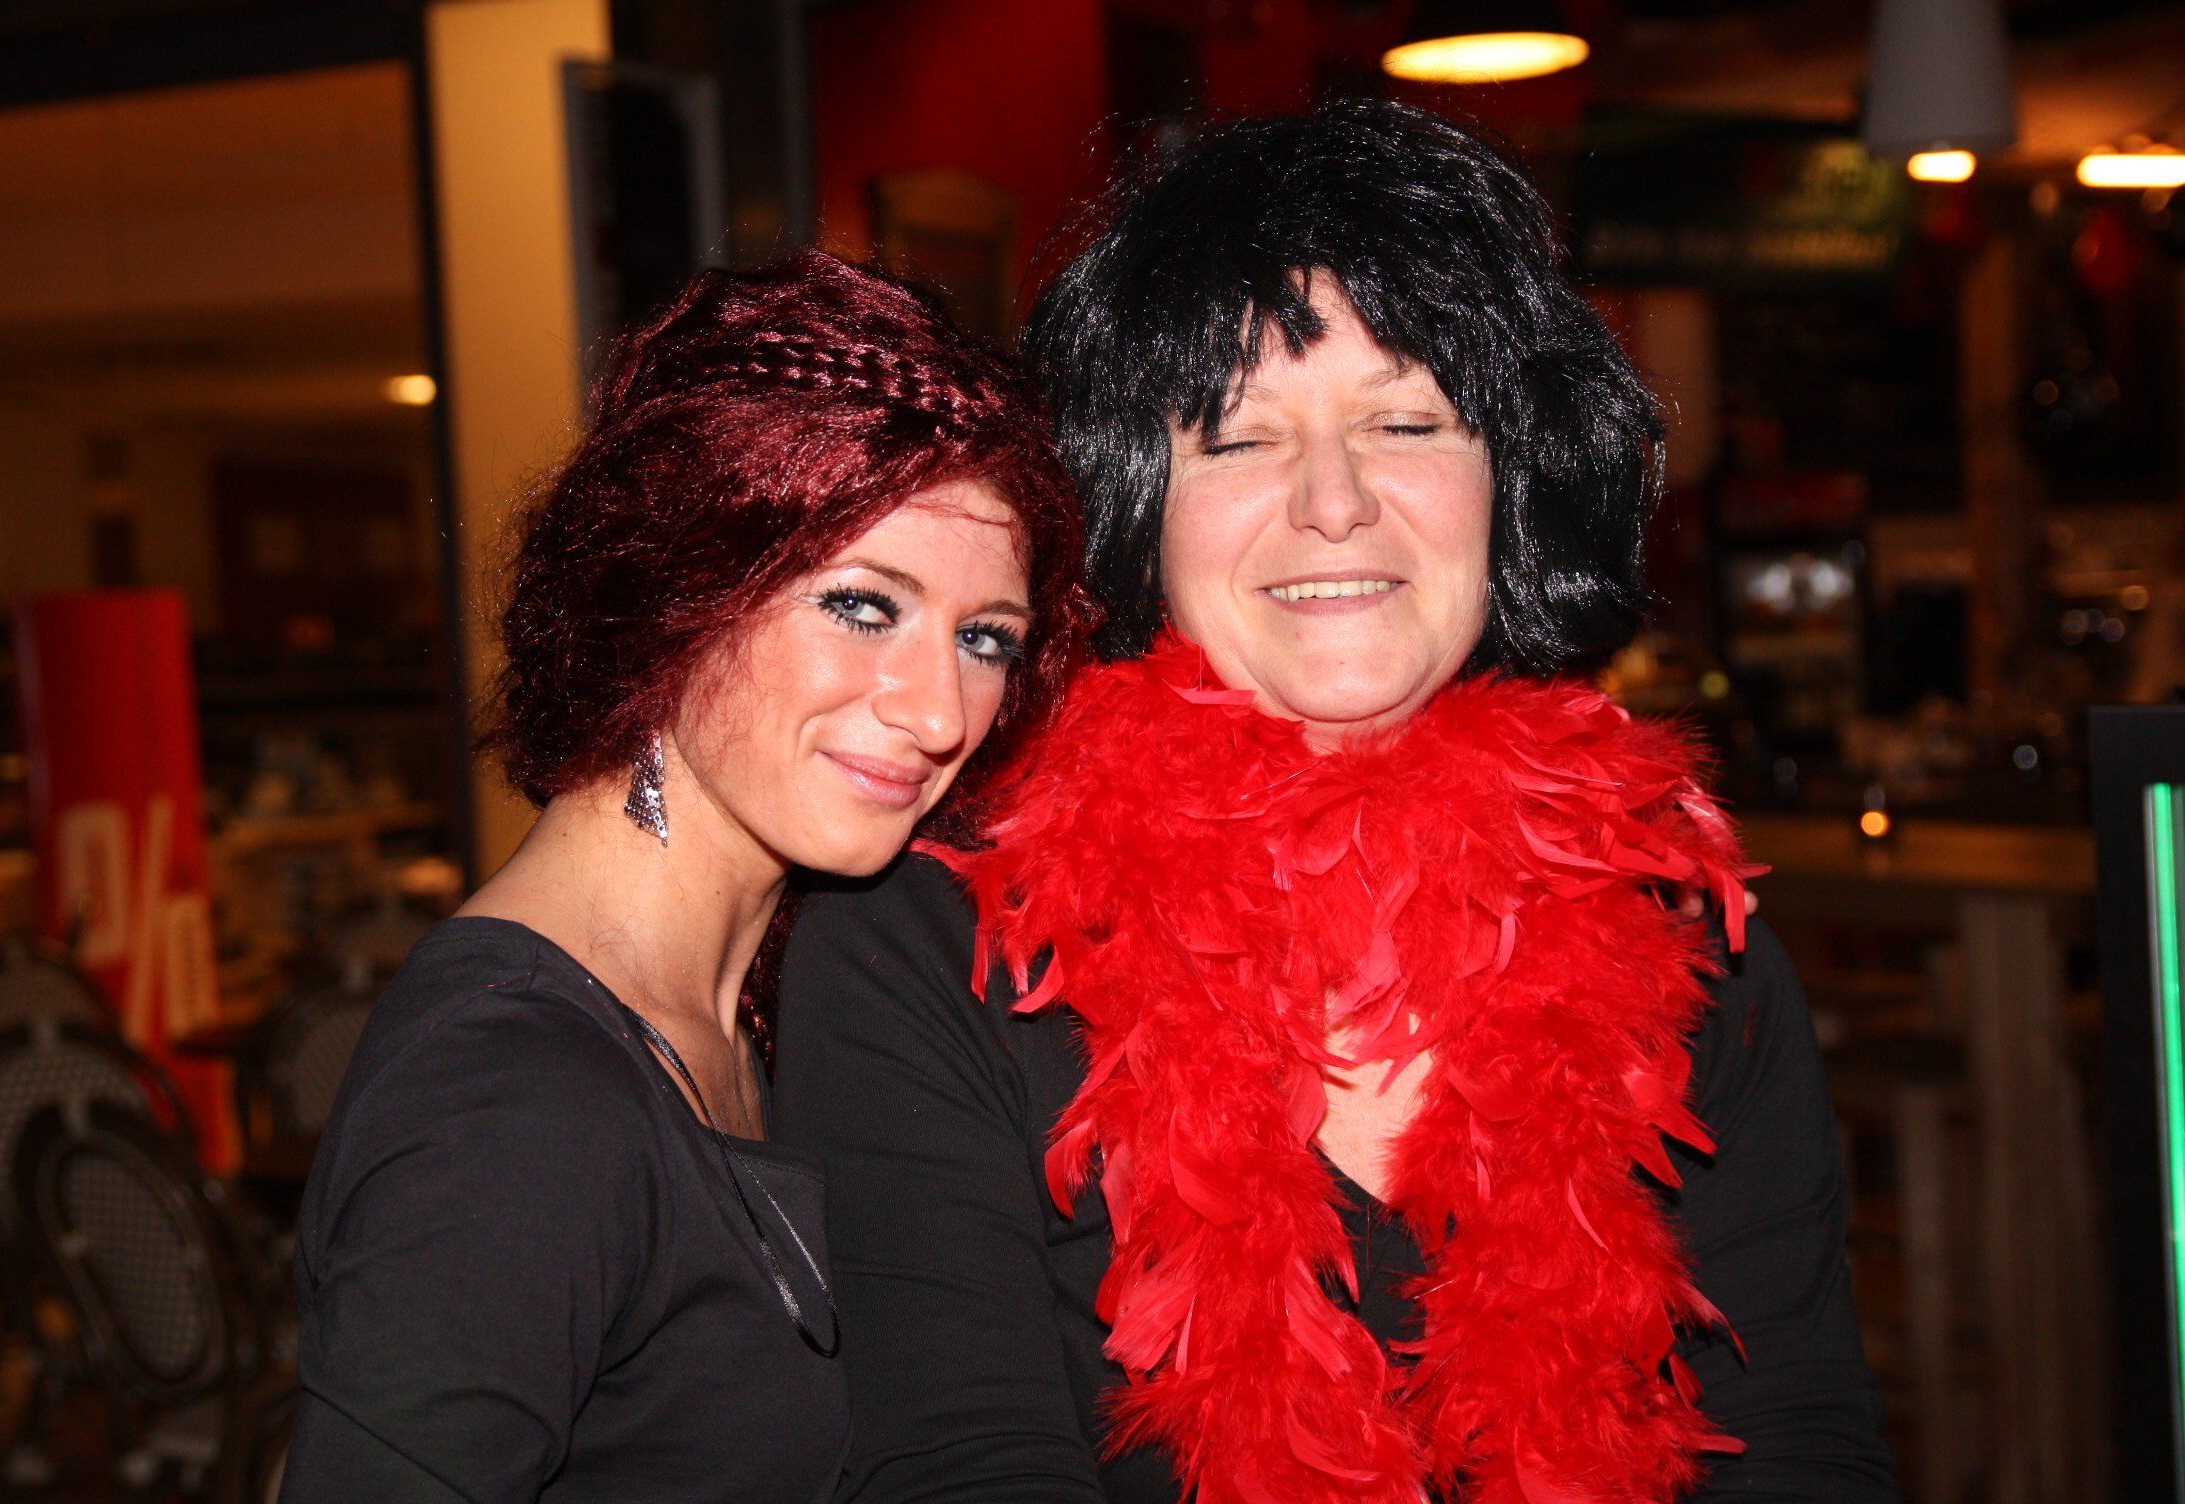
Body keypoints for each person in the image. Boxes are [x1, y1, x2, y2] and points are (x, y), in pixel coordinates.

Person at [773, 103, 1896, 1504]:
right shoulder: (927, 942)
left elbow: (1800, 1443)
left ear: (1513, 478)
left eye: (1405, 420)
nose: (1334, 502)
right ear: (1134, 505)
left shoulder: (1683, 935)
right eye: (1237, 438)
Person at [281, 252, 1096, 1504]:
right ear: (679, 586)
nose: (940, 711)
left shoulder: (748, 997)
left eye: (985, 638)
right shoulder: (513, 1105)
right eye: (864, 607)